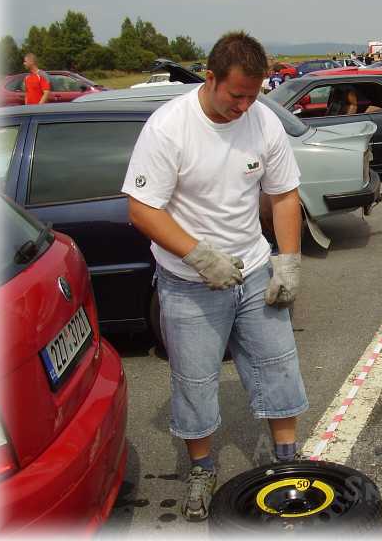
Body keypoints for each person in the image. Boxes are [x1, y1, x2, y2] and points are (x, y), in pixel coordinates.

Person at [121, 31, 308, 522]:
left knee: (277, 365)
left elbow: (284, 195)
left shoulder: (263, 120)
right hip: (189, 282)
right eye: (236, 95)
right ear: (210, 78)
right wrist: (201, 257)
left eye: (253, 95)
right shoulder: (170, 127)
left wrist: (288, 260)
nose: (244, 106)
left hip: (254, 269)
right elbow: (142, 209)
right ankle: (201, 468)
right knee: (196, 379)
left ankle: (287, 458)